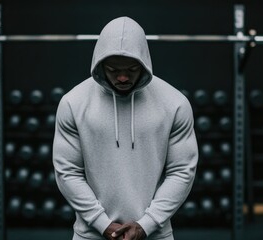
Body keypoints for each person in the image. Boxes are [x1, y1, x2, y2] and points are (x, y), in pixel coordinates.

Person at [53, 16, 198, 240]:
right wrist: (103, 224)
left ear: (144, 64)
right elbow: (68, 171)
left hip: (154, 234)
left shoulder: (175, 104)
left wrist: (145, 225)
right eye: (113, 70)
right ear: (100, 65)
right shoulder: (73, 103)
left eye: (131, 69)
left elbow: (181, 172)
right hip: (91, 235)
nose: (122, 77)